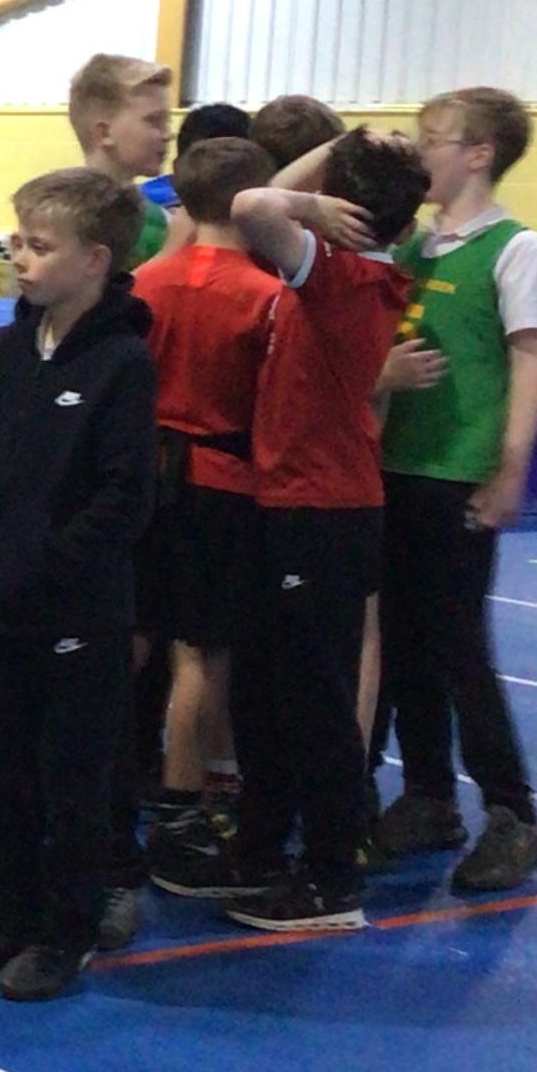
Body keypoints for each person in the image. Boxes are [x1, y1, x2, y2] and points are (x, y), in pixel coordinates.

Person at [0, 169, 156, 1000]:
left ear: (94, 260)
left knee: (70, 781)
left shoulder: (122, 362)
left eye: (40, 245)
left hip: (72, 613)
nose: (20, 258)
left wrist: (44, 564)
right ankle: (15, 909)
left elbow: (124, 498)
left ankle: (65, 932)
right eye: (18, 240)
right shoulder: (14, 345)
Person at [212, 128, 429, 933]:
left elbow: (251, 203)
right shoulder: (338, 267)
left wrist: (313, 195)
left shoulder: (345, 275)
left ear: (342, 214)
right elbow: (268, 199)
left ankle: (333, 876)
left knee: (315, 700)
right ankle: (263, 847)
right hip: (286, 503)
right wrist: (342, 150)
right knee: (264, 693)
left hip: (324, 512)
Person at [371, 87, 537, 896]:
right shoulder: (415, 246)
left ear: (478, 154)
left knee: (458, 646)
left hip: (459, 474)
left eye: (432, 141)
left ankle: (513, 814)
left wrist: (510, 466)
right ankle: (428, 795)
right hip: (396, 466)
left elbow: (529, 358)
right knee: (403, 641)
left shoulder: (514, 247)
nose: (419, 156)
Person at [132, 135, 277, 894]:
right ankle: (181, 804)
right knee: (200, 652)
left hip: (144, 475)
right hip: (220, 480)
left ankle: (97, 774)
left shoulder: (145, 283)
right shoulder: (264, 294)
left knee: (133, 636)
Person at [68, 53, 175, 261]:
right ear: (105, 133)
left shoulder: (161, 220)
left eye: (167, 122)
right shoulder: (60, 222)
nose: (168, 134)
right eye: (154, 121)